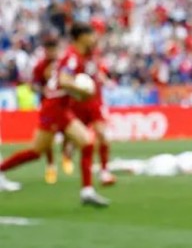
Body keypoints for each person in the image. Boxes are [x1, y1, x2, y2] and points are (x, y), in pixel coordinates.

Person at [0, 23, 110, 207]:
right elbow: (64, 81)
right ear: (81, 37)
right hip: (54, 108)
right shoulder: (72, 57)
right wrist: (83, 91)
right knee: (37, 151)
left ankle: (87, 191)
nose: (93, 38)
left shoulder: (78, 55)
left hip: (61, 107)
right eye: (90, 35)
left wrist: (80, 93)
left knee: (86, 142)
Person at [69, 29, 115, 187]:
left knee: (102, 134)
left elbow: (98, 73)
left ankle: (104, 172)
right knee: (81, 139)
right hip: (79, 101)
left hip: (95, 101)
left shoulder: (94, 56)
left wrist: (105, 80)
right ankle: (69, 150)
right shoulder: (74, 56)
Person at [29, 34, 74, 184]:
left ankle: (66, 156)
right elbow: (33, 85)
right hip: (48, 106)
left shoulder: (64, 63)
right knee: (48, 139)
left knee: (68, 133)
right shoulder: (40, 66)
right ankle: (51, 166)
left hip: (65, 105)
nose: (51, 53)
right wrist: (43, 89)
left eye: (54, 49)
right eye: (49, 50)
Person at [105, 151, 192, 177]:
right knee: (138, 168)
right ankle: (111, 166)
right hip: (165, 164)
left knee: (139, 167)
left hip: (166, 163)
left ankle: (113, 166)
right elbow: (184, 169)